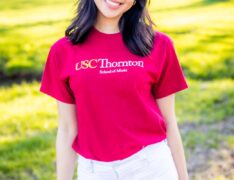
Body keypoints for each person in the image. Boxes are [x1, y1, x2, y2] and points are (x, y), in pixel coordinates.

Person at [39, 0, 190, 179]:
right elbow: (67, 128)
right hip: (94, 172)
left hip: (151, 167)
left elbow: (169, 122)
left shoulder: (159, 45)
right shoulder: (62, 51)